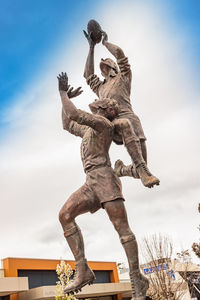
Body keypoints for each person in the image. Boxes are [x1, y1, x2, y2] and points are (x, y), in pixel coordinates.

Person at [58, 72, 149, 299]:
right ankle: (83, 269)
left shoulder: (102, 124)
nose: (96, 101)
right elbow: (67, 123)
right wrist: (66, 98)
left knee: (122, 229)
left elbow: (73, 113)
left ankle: (137, 278)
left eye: (102, 103)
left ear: (104, 109)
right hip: (90, 182)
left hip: (106, 180)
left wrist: (62, 93)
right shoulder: (89, 129)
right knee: (65, 215)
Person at [83, 30, 160, 188]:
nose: (103, 65)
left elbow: (119, 53)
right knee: (142, 168)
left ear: (113, 67)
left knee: (142, 167)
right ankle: (139, 169)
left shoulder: (123, 77)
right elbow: (88, 75)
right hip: (113, 124)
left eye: (106, 63)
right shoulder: (101, 88)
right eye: (101, 65)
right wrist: (91, 48)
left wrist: (105, 43)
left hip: (131, 121)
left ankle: (123, 170)